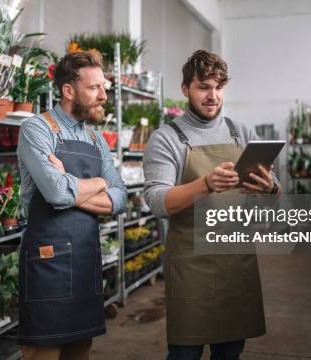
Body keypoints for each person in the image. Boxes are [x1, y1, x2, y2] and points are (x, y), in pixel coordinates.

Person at [143, 50, 280, 360]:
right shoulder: (167, 138)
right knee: (184, 352)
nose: (212, 95)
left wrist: (270, 187)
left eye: (218, 87)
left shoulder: (241, 133)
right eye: (203, 86)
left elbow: (274, 195)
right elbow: (157, 201)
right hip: (192, 264)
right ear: (185, 89)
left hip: (236, 263)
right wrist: (205, 184)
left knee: (231, 351)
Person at [16, 50, 127, 360]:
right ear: (68, 90)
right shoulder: (37, 129)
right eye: (95, 88)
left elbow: (119, 198)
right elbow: (56, 194)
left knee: (81, 348)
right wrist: (99, 183)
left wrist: (74, 183)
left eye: (104, 87)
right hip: (47, 261)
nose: (104, 95)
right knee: (44, 350)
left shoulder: (96, 140)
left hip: (85, 259)